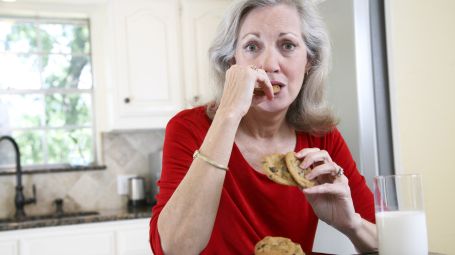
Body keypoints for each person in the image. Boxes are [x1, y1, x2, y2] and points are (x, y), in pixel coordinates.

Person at [149, 0, 378, 254]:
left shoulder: (322, 138)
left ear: (309, 61)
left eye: (287, 45)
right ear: (231, 63)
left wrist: (350, 223)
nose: (269, 64)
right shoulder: (189, 128)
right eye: (252, 46)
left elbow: (385, 241)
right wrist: (228, 113)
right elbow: (173, 249)